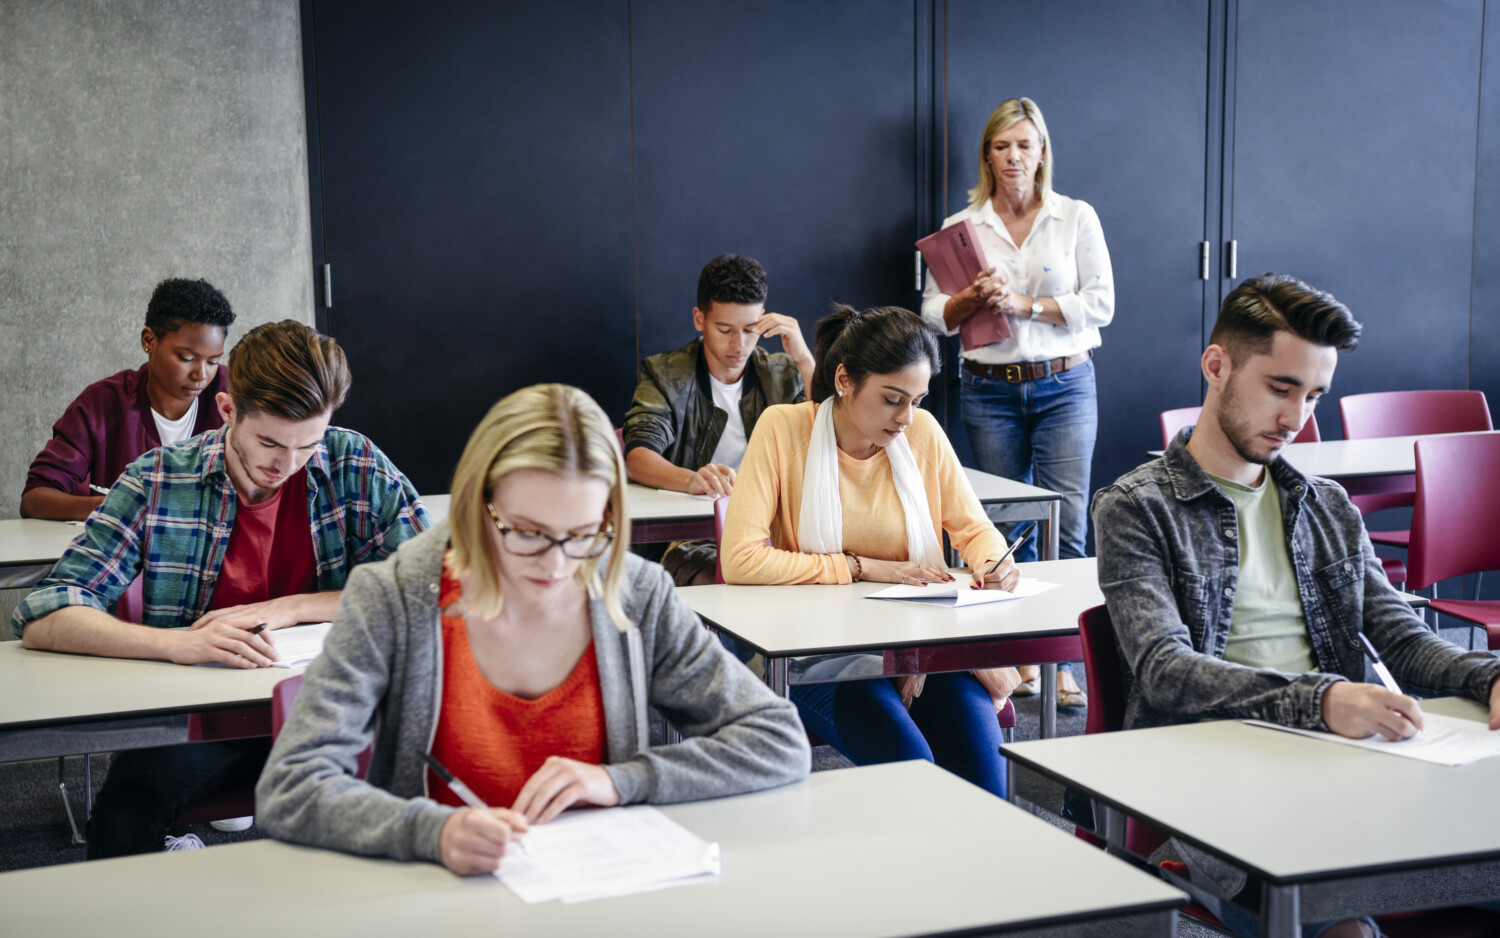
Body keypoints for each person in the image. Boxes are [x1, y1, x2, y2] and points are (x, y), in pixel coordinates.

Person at [256, 383, 809, 875]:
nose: (556, 563)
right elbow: (291, 786)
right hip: (441, 895)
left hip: (597, 887)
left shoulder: (635, 593)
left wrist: (623, 781)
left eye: (583, 534)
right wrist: (431, 831)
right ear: (479, 503)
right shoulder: (393, 597)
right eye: (528, 532)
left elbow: (777, 740)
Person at [1093, 274, 1500, 938]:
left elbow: (1398, 634)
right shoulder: (1136, 508)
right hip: (1209, 785)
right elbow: (1166, 668)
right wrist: (1322, 701)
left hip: (1347, 766)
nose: (1296, 419)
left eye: (1314, 396)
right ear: (1216, 366)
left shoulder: (1327, 505)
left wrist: (1488, 676)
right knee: (1345, 934)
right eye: (1280, 389)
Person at [13, 319, 430, 859]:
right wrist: (177, 643)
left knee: (423, 808)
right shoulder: (158, 479)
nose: (288, 465)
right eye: (270, 442)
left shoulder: (355, 461)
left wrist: (289, 608)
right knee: (120, 826)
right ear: (229, 410)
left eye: (308, 443)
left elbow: (434, 584)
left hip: (340, 706)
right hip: (208, 722)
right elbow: (46, 613)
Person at [720, 305, 1021, 798]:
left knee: (986, 785)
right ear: (844, 379)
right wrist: (861, 568)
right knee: (915, 774)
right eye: (892, 399)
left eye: (917, 400)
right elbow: (742, 558)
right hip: (822, 656)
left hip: (920, 649)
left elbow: (975, 530)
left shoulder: (921, 432)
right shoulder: (783, 428)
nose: (906, 418)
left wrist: (994, 562)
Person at [921, 97, 1114, 709]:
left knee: (1071, 526)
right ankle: (1014, 659)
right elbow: (933, 316)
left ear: (1041, 152)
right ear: (987, 155)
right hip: (988, 388)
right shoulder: (964, 226)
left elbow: (1101, 304)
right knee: (1003, 530)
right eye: (1002, 146)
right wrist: (971, 298)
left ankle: (1065, 665)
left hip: (1064, 384)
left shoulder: (1075, 216)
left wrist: (1024, 305)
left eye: (1024, 145)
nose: (1013, 157)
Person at [623, 253, 813, 585]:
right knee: (716, 580)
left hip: (775, 532)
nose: (739, 344)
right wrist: (691, 480)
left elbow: (829, 435)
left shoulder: (783, 373)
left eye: (750, 329)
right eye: (724, 329)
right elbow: (638, 456)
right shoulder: (666, 374)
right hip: (692, 539)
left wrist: (805, 358)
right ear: (700, 319)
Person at [21, 277, 236, 521]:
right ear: (149, 340)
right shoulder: (103, 406)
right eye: (186, 358)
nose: (201, 375)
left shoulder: (233, 398)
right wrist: (124, 504)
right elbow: (35, 500)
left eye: (213, 361)